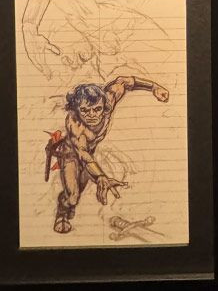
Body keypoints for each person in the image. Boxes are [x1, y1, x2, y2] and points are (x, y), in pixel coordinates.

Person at [47, 76, 169, 234]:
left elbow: (125, 81)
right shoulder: (75, 124)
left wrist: (154, 87)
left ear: (104, 106)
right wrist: (100, 177)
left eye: (97, 109)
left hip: (88, 153)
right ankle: (62, 213)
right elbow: (82, 154)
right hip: (71, 153)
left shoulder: (109, 98)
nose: (92, 115)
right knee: (73, 196)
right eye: (85, 110)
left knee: (78, 191)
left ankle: (69, 204)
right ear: (76, 109)